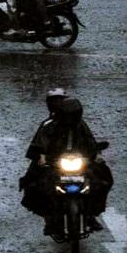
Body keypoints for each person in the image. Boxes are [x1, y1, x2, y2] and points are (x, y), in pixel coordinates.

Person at [20, 97, 112, 235]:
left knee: (102, 179)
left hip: (80, 161)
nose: (71, 119)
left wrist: (97, 154)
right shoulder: (49, 125)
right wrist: (42, 156)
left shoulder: (81, 125)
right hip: (54, 162)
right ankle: (49, 218)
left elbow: (90, 141)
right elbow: (40, 142)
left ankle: (91, 214)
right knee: (38, 184)